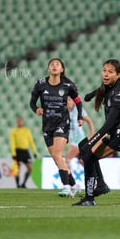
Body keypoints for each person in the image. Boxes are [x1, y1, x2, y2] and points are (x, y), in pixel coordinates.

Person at [72, 59, 120, 206]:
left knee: (88, 156)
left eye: (110, 72)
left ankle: (89, 198)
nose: (106, 75)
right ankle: (100, 184)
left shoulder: (119, 95)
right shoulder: (111, 84)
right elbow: (103, 89)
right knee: (83, 145)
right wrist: (91, 95)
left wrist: (93, 142)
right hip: (115, 129)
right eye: (104, 71)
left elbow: (109, 124)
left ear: (118, 74)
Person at [30, 58, 83, 198]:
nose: (54, 66)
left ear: (62, 69)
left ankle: (66, 187)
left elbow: (78, 101)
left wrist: (80, 117)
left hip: (62, 123)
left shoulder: (67, 84)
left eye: (57, 64)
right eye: (51, 64)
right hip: (47, 125)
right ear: (48, 69)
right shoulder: (41, 84)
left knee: (58, 154)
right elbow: (32, 102)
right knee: (56, 157)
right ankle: (74, 185)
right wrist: (36, 109)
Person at [9, 116, 38, 188]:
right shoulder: (13, 131)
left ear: (23, 122)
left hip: (25, 151)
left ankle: (23, 183)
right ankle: (17, 185)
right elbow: (12, 143)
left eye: (20, 121)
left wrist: (34, 152)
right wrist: (13, 153)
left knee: (30, 168)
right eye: (18, 121)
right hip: (17, 151)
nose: (19, 122)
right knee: (17, 169)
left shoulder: (26, 130)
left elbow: (31, 141)